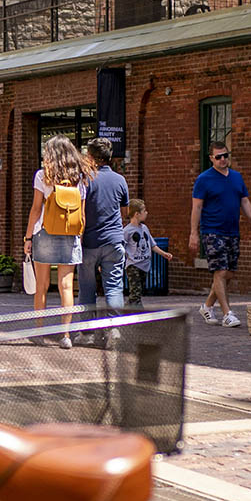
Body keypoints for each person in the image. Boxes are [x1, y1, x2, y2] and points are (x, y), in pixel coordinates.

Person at [23, 135, 96, 348]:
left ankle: (39, 332)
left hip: (44, 232)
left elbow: (36, 209)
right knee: (66, 286)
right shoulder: (80, 178)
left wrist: (28, 237)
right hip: (69, 234)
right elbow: (81, 214)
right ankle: (65, 335)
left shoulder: (43, 176)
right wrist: (78, 238)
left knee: (42, 285)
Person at [189, 141, 251, 329]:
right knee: (220, 271)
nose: (223, 159)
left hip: (232, 232)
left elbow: (244, 201)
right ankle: (227, 314)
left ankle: (206, 306)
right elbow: (196, 207)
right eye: (218, 156)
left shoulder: (237, 177)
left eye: (225, 155)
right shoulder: (204, 179)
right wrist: (193, 233)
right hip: (212, 231)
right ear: (211, 158)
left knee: (229, 273)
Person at [79, 137, 130, 311]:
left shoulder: (84, 180)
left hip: (89, 242)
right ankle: (115, 329)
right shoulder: (120, 180)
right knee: (115, 288)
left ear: (91, 157)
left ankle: (86, 333)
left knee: (86, 290)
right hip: (114, 241)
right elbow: (125, 213)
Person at [124, 199, 173, 304]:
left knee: (137, 293)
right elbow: (121, 247)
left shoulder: (144, 228)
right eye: (144, 211)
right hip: (133, 266)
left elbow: (152, 245)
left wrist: (164, 254)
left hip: (145, 265)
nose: (146, 213)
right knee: (135, 294)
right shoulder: (127, 231)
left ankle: (124, 311)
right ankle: (138, 315)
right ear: (137, 214)